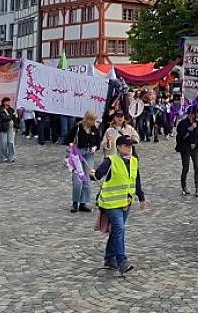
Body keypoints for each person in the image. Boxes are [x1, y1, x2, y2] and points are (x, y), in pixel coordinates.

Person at [90, 135, 147, 275]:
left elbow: (136, 180)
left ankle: (109, 258)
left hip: (126, 203)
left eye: (131, 145)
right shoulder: (110, 161)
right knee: (120, 229)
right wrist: (94, 174)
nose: (129, 147)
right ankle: (122, 261)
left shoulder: (134, 161)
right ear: (119, 147)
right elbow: (98, 174)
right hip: (111, 203)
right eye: (127, 145)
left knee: (116, 231)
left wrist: (141, 197)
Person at [68, 110, 101, 213]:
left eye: (94, 120)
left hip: (89, 155)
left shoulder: (95, 129)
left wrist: (95, 148)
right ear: (87, 119)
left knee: (87, 180)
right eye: (92, 120)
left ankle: (83, 203)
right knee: (77, 180)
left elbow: (97, 142)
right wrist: (71, 145)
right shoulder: (77, 128)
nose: (93, 122)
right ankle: (75, 202)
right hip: (77, 154)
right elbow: (68, 139)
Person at [175, 106, 198, 196]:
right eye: (194, 114)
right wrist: (191, 128)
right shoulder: (182, 123)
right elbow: (181, 135)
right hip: (185, 148)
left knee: (197, 167)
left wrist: (195, 143)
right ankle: (184, 187)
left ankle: (197, 187)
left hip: (195, 148)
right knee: (186, 167)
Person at [0, 97, 17, 162]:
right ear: (4, 102)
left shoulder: (11, 109)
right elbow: (4, 118)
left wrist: (16, 118)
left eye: (9, 101)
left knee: (10, 142)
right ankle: (3, 157)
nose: (9, 102)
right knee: (3, 143)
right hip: (3, 128)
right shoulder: (1, 110)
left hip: (10, 128)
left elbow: (13, 118)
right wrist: (12, 115)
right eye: (7, 101)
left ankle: (11, 157)